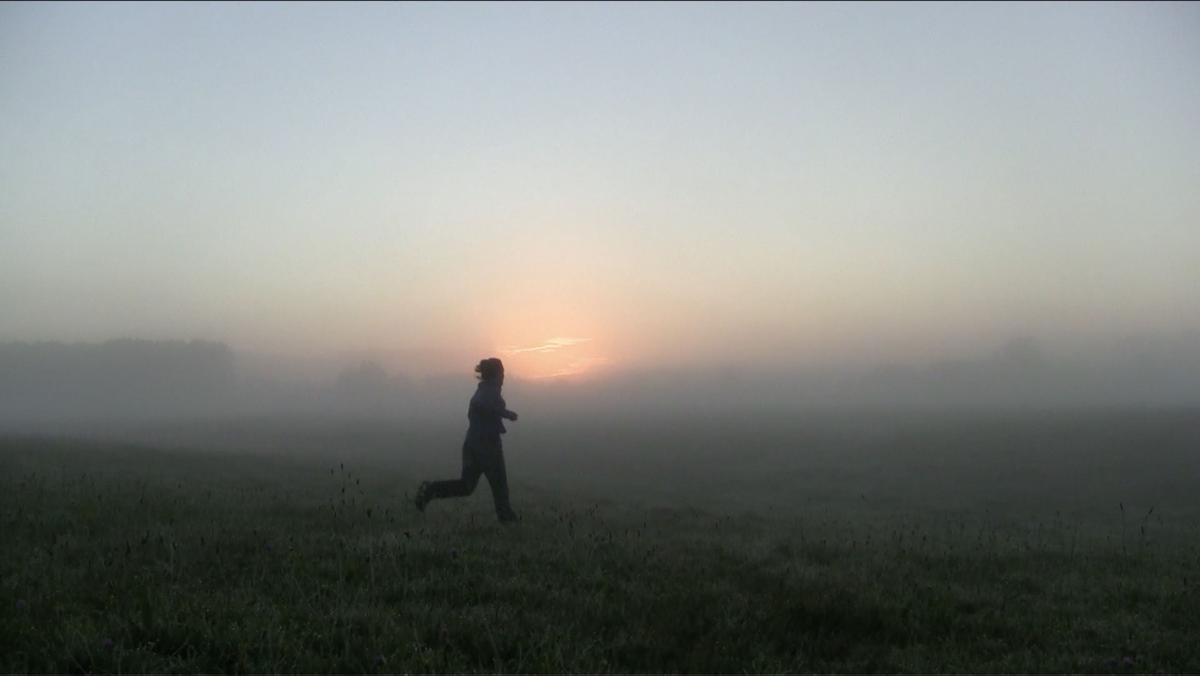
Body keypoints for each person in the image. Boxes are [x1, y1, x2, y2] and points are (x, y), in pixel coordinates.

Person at [414, 357, 519, 522]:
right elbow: (484, 405)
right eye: (502, 373)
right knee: (499, 487)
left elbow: (480, 407)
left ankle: (430, 490)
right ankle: (507, 519)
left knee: (466, 486)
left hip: (472, 444)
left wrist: (502, 412)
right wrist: (507, 414)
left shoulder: (483, 389)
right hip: (488, 446)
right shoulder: (488, 391)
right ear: (495, 375)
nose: (503, 377)